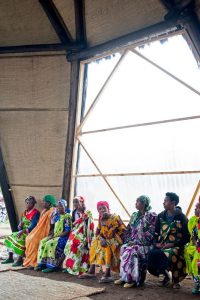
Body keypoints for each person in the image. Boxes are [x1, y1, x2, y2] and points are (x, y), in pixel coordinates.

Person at [148, 192, 190, 288]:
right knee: (152, 254)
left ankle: (176, 280)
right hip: (162, 245)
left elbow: (187, 236)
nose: (163, 203)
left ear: (173, 203)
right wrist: (156, 243)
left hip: (176, 245)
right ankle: (166, 275)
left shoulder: (182, 217)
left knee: (170, 253)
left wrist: (173, 244)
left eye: (165, 201)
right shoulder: (161, 216)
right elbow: (156, 233)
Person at [114, 195, 156, 288]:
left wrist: (136, 241)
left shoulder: (151, 215)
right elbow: (128, 229)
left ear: (144, 203)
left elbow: (151, 232)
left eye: (137, 202)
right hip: (133, 242)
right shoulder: (134, 215)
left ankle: (132, 279)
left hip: (145, 244)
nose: (135, 203)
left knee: (133, 251)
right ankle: (124, 277)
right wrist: (127, 240)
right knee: (124, 248)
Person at [80, 201, 126, 283]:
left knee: (107, 246)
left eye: (104, 208)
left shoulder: (115, 217)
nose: (102, 210)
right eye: (99, 209)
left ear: (108, 208)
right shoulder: (101, 219)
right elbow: (98, 232)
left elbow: (113, 234)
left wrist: (104, 238)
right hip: (106, 238)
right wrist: (101, 239)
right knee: (94, 243)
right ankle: (92, 271)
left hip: (117, 239)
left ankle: (108, 274)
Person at [2, 196, 40, 266]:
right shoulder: (24, 213)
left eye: (30, 203)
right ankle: (10, 258)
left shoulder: (36, 213)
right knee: (10, 236)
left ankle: (20, 259)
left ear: (33, 204)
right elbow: (19, 226)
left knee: (21, 239)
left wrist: (23, 231)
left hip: (31, 232)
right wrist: (20, 226)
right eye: (27, 203)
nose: (28, 205)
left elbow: (33, 226)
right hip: (23, 231)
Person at [36, 199, 71, 273]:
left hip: (63, 237)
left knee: (50, 243)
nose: (59, 208)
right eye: (58, 207)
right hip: (56, 236)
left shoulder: (67, 217)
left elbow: (67, 231)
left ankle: (52, 266)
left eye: (61, 206)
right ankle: (42, 263)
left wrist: (56, 236)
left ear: (65, 207)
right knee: (42, 241)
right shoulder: (56, 216)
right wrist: (51, 235)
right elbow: (53, 228)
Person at [62, 196, 94, 275]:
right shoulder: (74, 212)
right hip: (76, 233)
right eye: (74, 202)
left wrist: (86, 237)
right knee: (68, 245)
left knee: (75, 245)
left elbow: (90, 225)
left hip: (85, 234)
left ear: (82, 202)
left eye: (77, 202)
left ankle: (79, 267)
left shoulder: (87, 212)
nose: (75, 204)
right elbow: (74, 225)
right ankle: (70, 266)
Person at [23, 194, 56, 268]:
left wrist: (50, 234)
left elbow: (53, 225)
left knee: (34, 241)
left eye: (44, 202)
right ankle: (30, 260)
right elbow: (39, 224)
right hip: (39, 230)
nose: (43, 203)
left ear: (49, 203)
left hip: (46, 232)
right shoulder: (44, 211)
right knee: (28, 238)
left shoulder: (52, 211)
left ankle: (34, 262)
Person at [184, 197, 200, 294]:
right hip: (195, 246)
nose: (195, 209)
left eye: (198, 207)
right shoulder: (193, 220)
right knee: (190, 256)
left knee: (196, 262)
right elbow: (193, 236)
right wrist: (195, 243)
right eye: (195, 207)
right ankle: (197, 284)